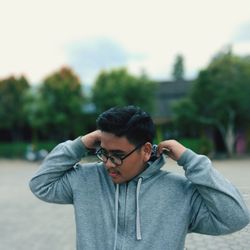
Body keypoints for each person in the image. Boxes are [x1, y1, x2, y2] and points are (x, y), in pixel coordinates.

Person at [29, 105, 250, 250]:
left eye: (117, 156)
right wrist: (81, 143)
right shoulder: (86, 179)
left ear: (145, 150)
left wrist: (190, 160)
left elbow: (236, 217)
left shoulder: (180, 192)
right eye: (103, 152)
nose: (107, 164)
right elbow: (40, 184)